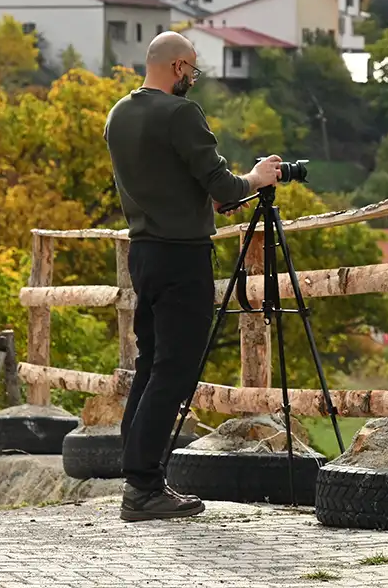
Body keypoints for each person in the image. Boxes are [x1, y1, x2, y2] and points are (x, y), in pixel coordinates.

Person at [104, 32, 281, 522]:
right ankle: (142, 487)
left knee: (152, 362)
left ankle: (138, 475)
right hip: (182, 256)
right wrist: (256, 179)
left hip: (144, 251)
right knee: (176, 368)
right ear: (178, 67)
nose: (193, 79)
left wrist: (215, 195)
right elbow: (222, 183)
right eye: (193, 70)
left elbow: (168, 181)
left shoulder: (118, 114)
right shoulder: (181, 114)